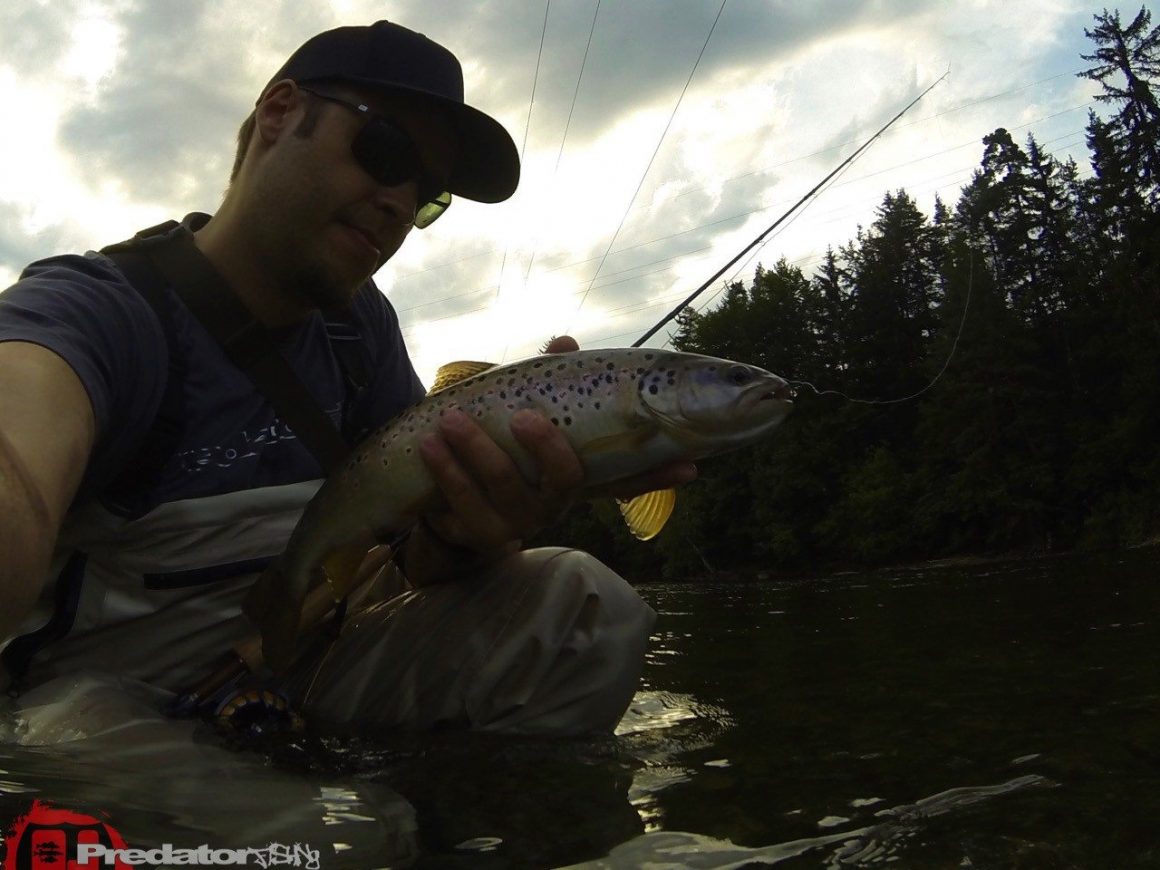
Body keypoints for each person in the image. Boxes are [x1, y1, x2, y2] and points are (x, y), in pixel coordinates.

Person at [0, 21, 696, 741]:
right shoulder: (94, 311)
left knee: (585, 607)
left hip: (290, 672)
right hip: (91, 717)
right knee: (343, 839)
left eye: (429, 195)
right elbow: (17, 448)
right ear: (278, 113)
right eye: (387, 151)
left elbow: (411, 556)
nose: (400, 203)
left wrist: (468, 532)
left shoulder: (359, 328)